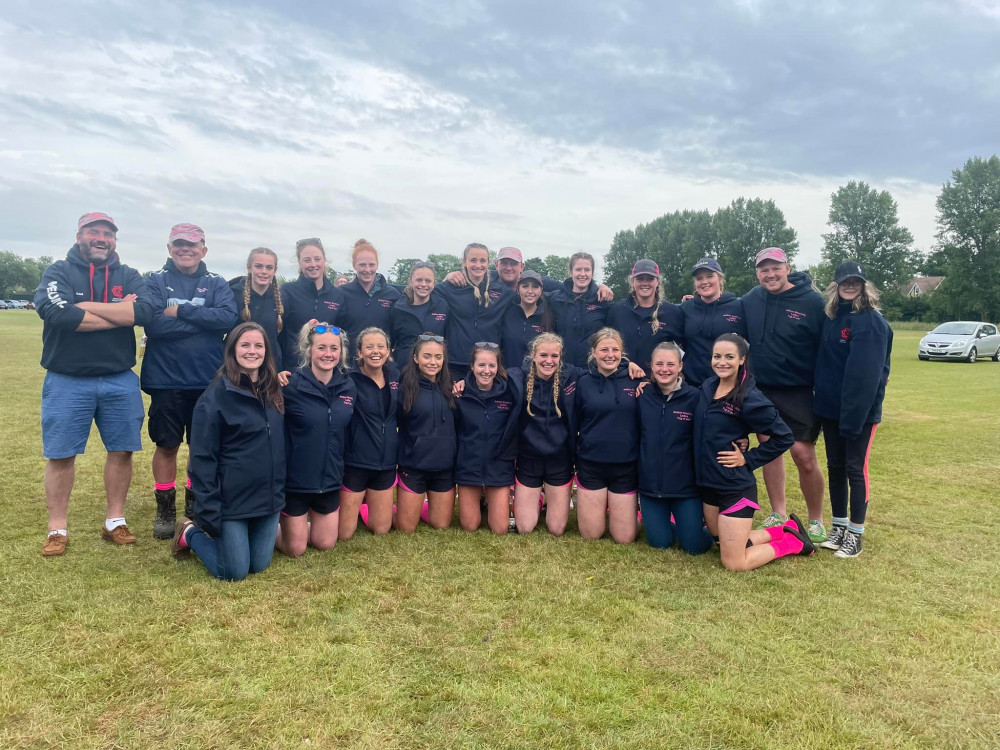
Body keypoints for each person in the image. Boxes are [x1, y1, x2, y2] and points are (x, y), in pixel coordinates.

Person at [34, 212, 153, 556]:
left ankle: (114, 521)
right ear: (79, 235)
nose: (101, 238)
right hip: (66, 380)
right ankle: (57, 528)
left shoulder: (128, 275)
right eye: (93, 232)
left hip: (119, 379)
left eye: (107, 233)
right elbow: (57, 313)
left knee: (122, 451)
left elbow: (143, 313)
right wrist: (117, 314)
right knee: (60, 455)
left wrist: (85, 308)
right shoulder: (57, 271)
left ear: (114, 240)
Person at [142, 223, 238, 540]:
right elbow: (153, 325)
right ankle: (165, 509)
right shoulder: (154, 281)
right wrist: (202, 322)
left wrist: (179, 311)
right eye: (179, 244)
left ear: (204, 250)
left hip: (207, 382)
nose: (186, 249)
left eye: (193, 244)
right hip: (166, 380)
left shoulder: (217, 283)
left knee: (202, 448)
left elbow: (227, 319)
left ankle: (195, 505)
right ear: (170, 248)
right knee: (166, 445)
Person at [172, 322, 285, 581]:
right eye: (245, 345)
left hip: (268, 499)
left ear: (267, 351)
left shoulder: (274, 390)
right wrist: (210, 509)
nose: (252, 351)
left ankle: (240, 540)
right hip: (231, 502)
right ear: (232, 350)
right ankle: (189, 533)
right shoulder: (214, 398)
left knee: (259, 564)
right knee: (233, 571)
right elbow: (201, 460)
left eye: (259, 345)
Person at [694, 333, 813, 571]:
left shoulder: (750, 399)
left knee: (734, 562)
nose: (722, 362)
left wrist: (747, 458)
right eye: (717, 356)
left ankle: (792, 542)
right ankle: (780, 530)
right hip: (708, 484)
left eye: (729, 357)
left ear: (741, 359)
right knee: (718, 541)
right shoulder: (708, 386)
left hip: (734, 487)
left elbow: (784, 437)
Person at [742, 247, 828, 542]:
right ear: (757, 273)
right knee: (770, 452)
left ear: (787, 268)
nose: (770, 274)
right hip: (762, 389)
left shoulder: (813, 302)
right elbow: (727, 316)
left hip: (800, 390)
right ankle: (778, 512)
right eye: (764, 269)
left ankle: (816, 518)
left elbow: (831, 343)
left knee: (803, 455)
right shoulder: (752, 299)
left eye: (775, 268)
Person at [813, 262, 892, 558]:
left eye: (855, 282)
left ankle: (856, 534)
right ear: (835, 285)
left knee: (855, 469)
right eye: (845, 281)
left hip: (858, 412)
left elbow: (865, 376)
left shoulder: (870, 322)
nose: (850, 286)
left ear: (863, 286)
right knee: (835, 467)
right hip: (832, 410)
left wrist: (853, 418)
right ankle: (839, 526)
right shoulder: (833, 318)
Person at [277, 323, 355, 557]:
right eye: (321, 348)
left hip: (330, 480)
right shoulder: (289, 385)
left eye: (334, 348)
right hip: (296, 482)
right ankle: (265, 532)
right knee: (296, 549)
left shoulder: (349, 386)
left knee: (325, 543)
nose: (328, 354)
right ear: (309, 350)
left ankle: (301, 527)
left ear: (341, 352)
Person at [636, 342, 712, 554]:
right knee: (660, 543)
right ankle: (660, 522)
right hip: (651, 488)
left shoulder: (696, 398)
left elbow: (714, 430)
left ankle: (708, 529)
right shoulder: (642, 395)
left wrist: (741, 440)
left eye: (670, 364)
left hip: (685, 489)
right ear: (650, 366)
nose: (664, 369)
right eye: (659, 364)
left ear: (680, 366)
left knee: (693, 547)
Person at [573, 328, 641, 544]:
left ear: (623, 353)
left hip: (626, 466)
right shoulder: (582, 382)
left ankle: (634, 513)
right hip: (591, 464)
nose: (610, 355)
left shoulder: (637, 380)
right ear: (593, 352)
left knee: (624, 538)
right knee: (591, 534)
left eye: (615, 350)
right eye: (604, 349)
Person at [510, 333, 579, 536]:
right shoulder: (518, 376)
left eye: (554, 356)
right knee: (524, 528)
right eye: (543, 355)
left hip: (559, 460)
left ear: (560, 357)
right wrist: (462, 383)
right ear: (533, 355)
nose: (549, 361)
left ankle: (549, 495)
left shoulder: (571, 376)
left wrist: (626, 365)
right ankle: (537, 499)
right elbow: (488, 375)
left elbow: (602, 368)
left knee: (556, 529)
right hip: (528, 459)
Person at [455, 342, 523, 534]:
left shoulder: (511, 393)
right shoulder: (460, 394)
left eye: (491, 366)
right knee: (469, 526)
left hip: (499, 466)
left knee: (500, 529)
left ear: (498, 367)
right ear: (472, 367)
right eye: (481, 365)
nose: (486, 371)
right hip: (469, 465)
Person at [340, 327, 400, 539]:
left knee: (381, 529)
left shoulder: (395, 376)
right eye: (369, 347)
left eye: (381, 346)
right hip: (356, 461)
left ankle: (366, 509)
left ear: (388, 351)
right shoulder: (347, 378)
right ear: (359, 352)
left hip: (386, 462)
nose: (376, 351)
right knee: (344, 534)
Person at [395, 334, 458, 532]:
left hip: (444, 467)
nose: (433, 362)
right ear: (415, 358)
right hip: (414, 466)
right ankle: (371, 508)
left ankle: (420, 506)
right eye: (427, 356)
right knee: (406, 528)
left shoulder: (453, 387)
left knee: (440, 525)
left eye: (438, 357)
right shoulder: (403, 387)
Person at [433, 243, 514, 379]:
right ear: (464, 262)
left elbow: (530, 293)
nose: (478, 265)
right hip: (456, 362)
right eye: (473, 260)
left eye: (483, 260)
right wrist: (447, 277)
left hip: (487, 364)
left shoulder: (501, 292)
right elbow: (426, 290)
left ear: (489, 263)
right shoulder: (450, 287)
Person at [679, 257, 746, 387]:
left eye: (709, 276)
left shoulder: (738, 307)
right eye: (699, 278)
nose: (704, 282)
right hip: (691, 384)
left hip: (727, 385)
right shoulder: (685, 308)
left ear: (720, 279)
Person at [606, 259, 683, 371]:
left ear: (657, 281)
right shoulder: (616, 310)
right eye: (640, 279)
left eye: (650, 279)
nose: (645, 283)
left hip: (658, 381)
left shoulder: (672, 312)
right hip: (622, 378)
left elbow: (681, 349)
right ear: (633, 281)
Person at [334, 239, 402, 359]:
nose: (367, 270)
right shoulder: (341, 293)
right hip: (349, 362)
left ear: (377, 265)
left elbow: (396, 330)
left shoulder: (392, 295)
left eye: (371, 265)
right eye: (362, 265)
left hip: (380, 362)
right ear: (354, 265)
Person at [280, 238, 342, 368]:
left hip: (326, 368)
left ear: (324, 260)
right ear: (300, 263)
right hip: (293, 368)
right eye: (307, 260)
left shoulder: (337, 295)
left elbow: (342, 334)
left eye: (317, 259)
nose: (313, 264)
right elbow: (277, 330)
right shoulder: (287, 291)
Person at [548, 252, 611, 368]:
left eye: (587, 270)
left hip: (592, 371)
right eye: (578, 269)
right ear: (571, 272)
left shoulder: (602, 301)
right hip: (561, 369)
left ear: (592, 273)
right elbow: (536, 285)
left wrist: (601, 286)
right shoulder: (555, 299)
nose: (582, 274)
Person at [229, 247, 284, 369]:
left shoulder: (282, 298)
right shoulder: (233, 294)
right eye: (258, 266)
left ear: (275, 270)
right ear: (249, 267)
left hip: (271, 368)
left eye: (269, 267)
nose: (264, 271)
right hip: (238, 367)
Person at [390, 261, 448, 367]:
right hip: (404, 369)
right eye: (419, 280)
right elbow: (390, 342)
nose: (423, 284)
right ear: (410, 282)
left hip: (433, 370)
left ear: (434, 283)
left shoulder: (443, 307)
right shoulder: (398, 308)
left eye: (428, 281)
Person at [500, 269, 554, 368]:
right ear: (517, 289)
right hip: (508, 377)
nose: (530, 291)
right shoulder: (506, 312)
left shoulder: (548, 316)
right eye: (525, 286)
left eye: (535, 286)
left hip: (536, 379)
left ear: (541, 290)